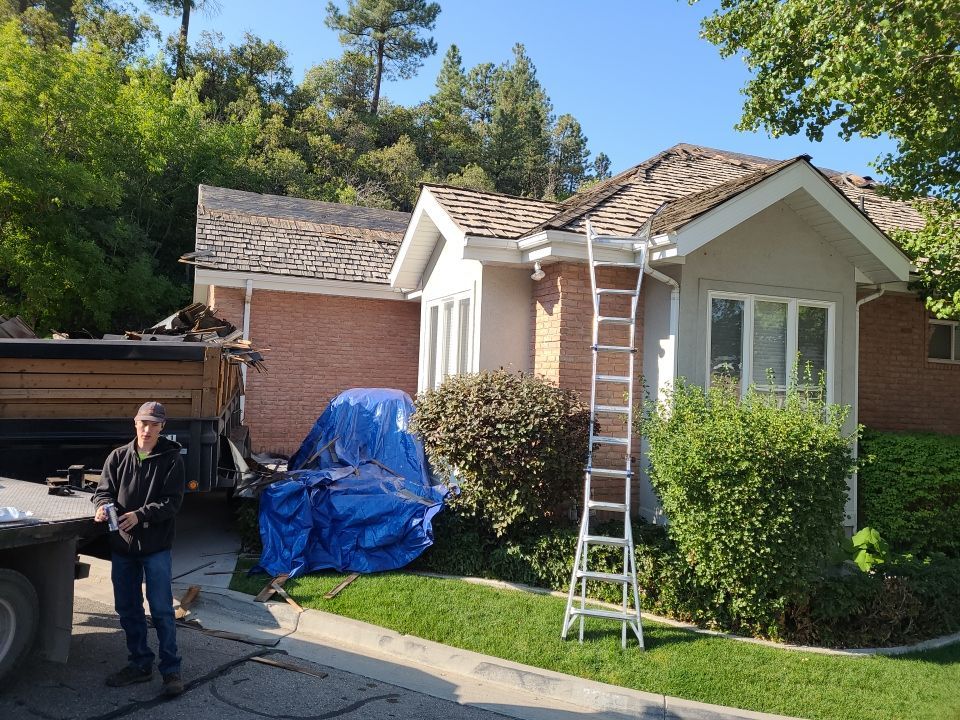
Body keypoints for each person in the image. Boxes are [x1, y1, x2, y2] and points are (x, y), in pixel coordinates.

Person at [92, 401, 186, 697]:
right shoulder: (118, 457)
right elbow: (103, 491)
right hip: (123, 547)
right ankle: (140, 664)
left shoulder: (172, 460)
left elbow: (172, 503)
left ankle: (171, 671)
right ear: (135, 424)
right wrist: (100, 507)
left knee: (161, 610)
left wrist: (140, 514)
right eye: (143, 423)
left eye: (154, 424)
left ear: (162, 428)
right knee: (128, 609)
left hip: (156, 547)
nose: (147, 429)